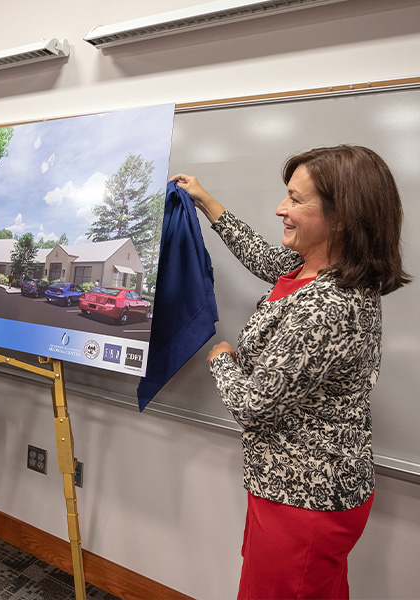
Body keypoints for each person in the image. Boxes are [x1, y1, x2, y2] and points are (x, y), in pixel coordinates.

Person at [171, 144, 409, 599]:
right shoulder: (315, 267)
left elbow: (252, 406)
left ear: (341, 216)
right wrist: (206, 201)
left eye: (297, 200)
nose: (282, 208)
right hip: (297, 486)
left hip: (304, 500)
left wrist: (221, 358)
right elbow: (265, 260)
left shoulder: (328, 304)